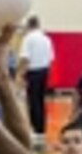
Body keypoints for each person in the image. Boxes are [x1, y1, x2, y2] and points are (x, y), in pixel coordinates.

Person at [16, 15, 54, 144]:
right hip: (44, 71)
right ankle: (41, 130)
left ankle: (35, 131)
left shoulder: (28, 38)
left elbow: (25, 58)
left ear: (29, 26)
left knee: (33, 102)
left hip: (33, 72)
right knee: (40, 101)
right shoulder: (46, 39)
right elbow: (50, 59)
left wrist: (20, 75)